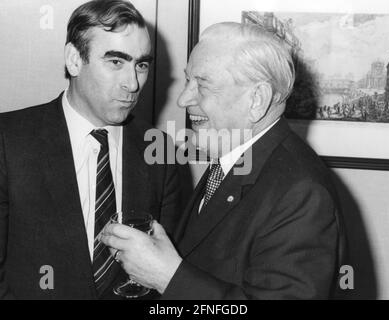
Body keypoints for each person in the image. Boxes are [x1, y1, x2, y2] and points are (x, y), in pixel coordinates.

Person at [102, 22, 346, 299]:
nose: (183, 99)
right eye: (188, 81)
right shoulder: (233, 158)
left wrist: (167, 276)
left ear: (257, 100)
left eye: (202, 85)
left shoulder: (302, 193)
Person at [0, 0, 180, 300]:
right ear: (74, 60)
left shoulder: (160, 150)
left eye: (142, 65)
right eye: (115, 62)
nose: (133, 83)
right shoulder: (8, 140)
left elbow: (164, 277)